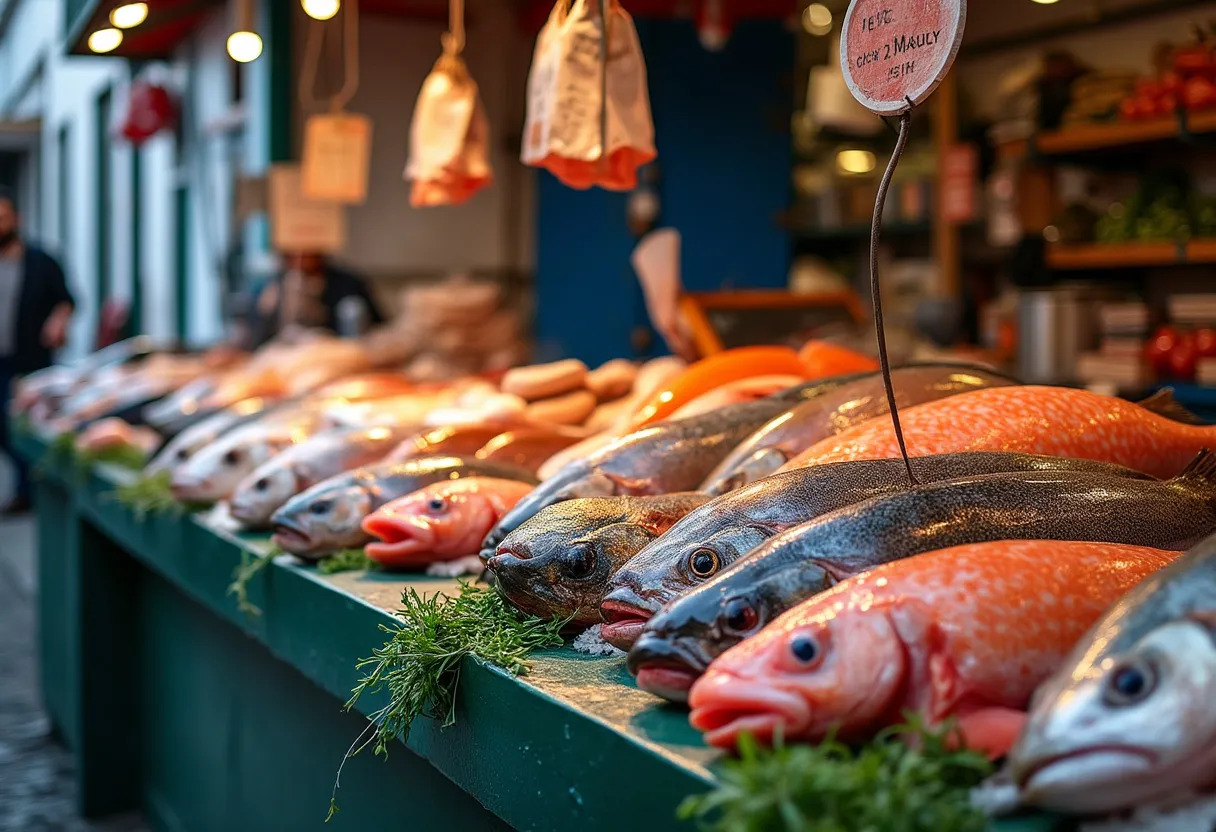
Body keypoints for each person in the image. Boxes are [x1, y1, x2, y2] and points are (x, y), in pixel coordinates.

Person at [0, 188, 75, 514]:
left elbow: (66, 299)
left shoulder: (40, 261)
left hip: (30, 359)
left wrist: (58, 321)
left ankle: (28, 490)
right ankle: (30, 482)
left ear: (16, 219)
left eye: (2, 217)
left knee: (23, 423)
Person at [245, 252, 385, 348]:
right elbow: (253, 339)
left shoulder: (349, 283)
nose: (302, 254)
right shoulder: (268, 286)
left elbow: (378, 327)